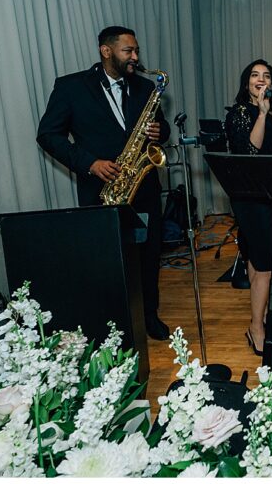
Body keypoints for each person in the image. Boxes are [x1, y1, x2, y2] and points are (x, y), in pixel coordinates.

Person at [37, 25, 171, 340]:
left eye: (136, 50)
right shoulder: (71, 87)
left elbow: (161, 128)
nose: (135, 57)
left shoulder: (144, 87)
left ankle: (148, 314)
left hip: (144, 186)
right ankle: (114, 321)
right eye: (129, 51)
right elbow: (48, 135)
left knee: (148, 256)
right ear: (106, 50)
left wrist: (159, 132)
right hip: (102, 189)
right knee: (109, 261)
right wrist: (90, 163)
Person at [224, 59, 272, 356]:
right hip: (250, 198)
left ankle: (262, 318)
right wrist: (261, 113)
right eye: (255, 75)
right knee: (264, 267)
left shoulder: (268, 116)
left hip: (268, 195)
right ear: (246, 82)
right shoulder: (239, 114)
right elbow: (250, 152)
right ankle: (256, 328)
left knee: (255, 259)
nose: (261, 79)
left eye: (267, 76)